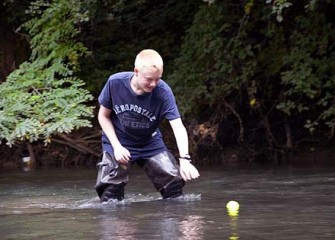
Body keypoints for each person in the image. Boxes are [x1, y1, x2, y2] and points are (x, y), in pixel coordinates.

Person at [95, 49, 200, 202]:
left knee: (174, 184)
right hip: (119, 140)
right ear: (136, 71)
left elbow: (178, 126)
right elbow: (103, 116)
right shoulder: (115, 83)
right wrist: (116, 146)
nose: (153, 84)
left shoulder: (163, 92)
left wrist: (185, 159)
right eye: (149, 79)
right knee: (110, 194)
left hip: (149, 142)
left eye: (158, 79)